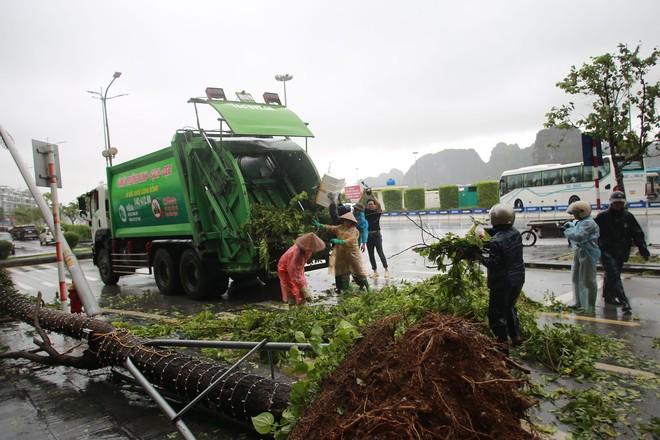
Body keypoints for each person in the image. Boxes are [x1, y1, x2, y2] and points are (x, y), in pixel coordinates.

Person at [479, 204, 525, 352]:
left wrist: (478, 256)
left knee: (496, 315)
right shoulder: (516, 233)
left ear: (494, 218)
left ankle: (502, 347)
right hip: (517, 279)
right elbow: (502, 236)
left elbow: (494, 264)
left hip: (502, 282)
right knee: (510, 306)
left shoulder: (496, 241)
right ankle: (516, 335)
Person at [595, 191, 650, 312]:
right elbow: (593, 233)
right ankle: (624, 301)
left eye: (620, 203)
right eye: (616, 203)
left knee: (613, 274)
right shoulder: (602, 216)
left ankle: (608, 296)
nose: (618, 205)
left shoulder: (628, 217)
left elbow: (637, 234)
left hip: (621, 251)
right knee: (613, 274)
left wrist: (643, 250)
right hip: (606, 250)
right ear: (611, 203)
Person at [313, 212, 371, 292]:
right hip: (342, 253)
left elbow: (351, 240)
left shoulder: (354, 230)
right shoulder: (340, 227)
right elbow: (331, 228)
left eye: (348, 221)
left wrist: (340, 241)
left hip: (353, 254)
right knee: (344, 272)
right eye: (345, 220)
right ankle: (346, 290)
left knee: (358, 270)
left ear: (351, 222)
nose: (346, 222)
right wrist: (320, 225)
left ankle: (368, 287)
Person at [561, 201, 600, 316]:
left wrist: (567, 231)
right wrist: (569, 226)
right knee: (576, 277)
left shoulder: (589, 223)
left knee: (587, 280)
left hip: (588, 253)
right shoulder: (581, 222)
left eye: (575, 213)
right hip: (580, 252)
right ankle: (578, 302)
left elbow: (578, 236)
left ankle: (589, 306)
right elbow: (576, 228)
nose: (574, 216)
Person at [277, 233, 326, 305]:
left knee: (301, 290)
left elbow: (298, 272)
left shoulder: (307, 250)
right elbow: (293, 272)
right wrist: (305, 291)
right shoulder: (296, 254)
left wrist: (304, 289)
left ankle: (302, 307)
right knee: (293, 291)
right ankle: (293, 309)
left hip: (297, 269)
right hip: (285, 270)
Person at [364, 197, 389, 278]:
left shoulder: (377, 212)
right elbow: (359, 204)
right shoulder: (365, 213)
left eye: (372, 204)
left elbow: (379, 205)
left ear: (374, 205)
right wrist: (364, 194)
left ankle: (386, 270)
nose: (370, 205)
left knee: (380, 253)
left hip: (376, 235)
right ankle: (375, 271)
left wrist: (372, 195)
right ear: (367, 206)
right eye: (369, 204)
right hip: (368, 236)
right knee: (371, 255)